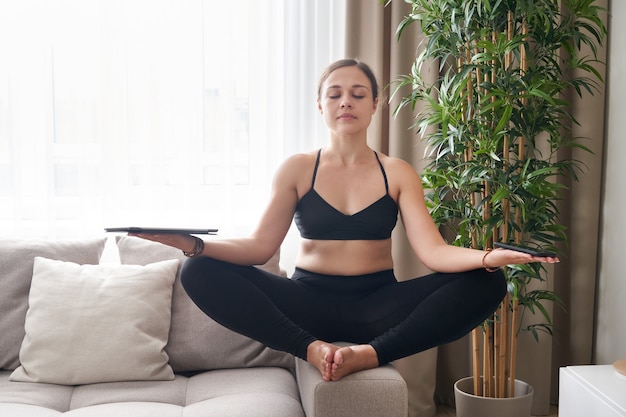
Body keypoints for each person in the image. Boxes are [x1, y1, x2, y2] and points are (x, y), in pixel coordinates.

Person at [132, 59, 559, 382]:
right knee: (198, 270)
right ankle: (311, 349)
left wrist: (490, 257)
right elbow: (259, 248)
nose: (345, 102)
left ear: (376, 104)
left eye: (357, 93)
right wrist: (193, 244)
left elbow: (434, 252)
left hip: (378, 307)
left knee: (490, 282)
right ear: (320, 105)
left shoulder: (397, 171)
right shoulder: (297, 169)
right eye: (334, 93)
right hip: (305, 305)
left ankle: (368, 355)